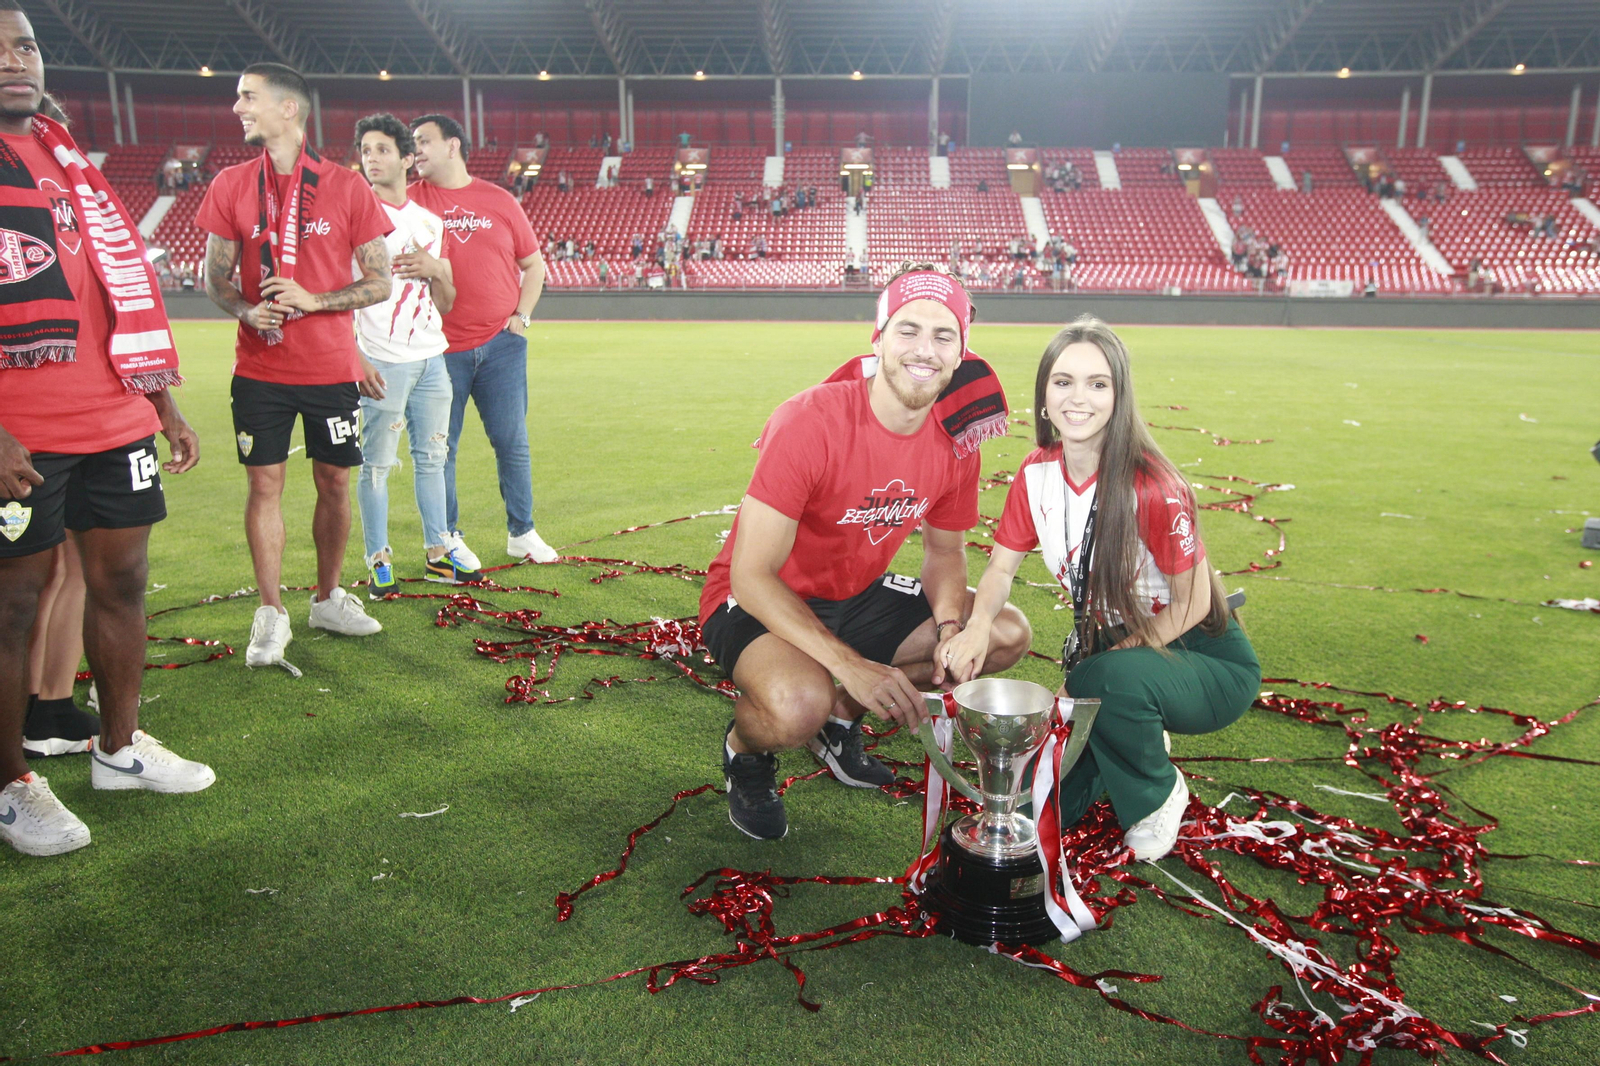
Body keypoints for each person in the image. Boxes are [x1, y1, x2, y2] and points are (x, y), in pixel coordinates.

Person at [700, 265, 1031, 840]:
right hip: (761, 599)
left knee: (1002, 631)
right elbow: (752, 576)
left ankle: (839, 722)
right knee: (794, 705)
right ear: (877, 338)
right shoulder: (811, 419)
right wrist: (848, 665)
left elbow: (945, 552)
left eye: (943, 335)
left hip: (855, 594)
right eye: (908, 330)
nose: (924, 349)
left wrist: (951, 628)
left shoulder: (956, 438)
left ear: (961, 354)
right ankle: (745, 754)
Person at [0, 0, 214, 856]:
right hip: (20, 432)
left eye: (25, 45)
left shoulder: (69, 160)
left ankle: (119, 750)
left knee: (122, 584)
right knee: (13, 608)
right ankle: (11, 783)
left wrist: (160, 402)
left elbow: (113, 293)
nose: (15, 59)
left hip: (116, 416)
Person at [943, 316, 1258, 863]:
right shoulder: (1036, 473)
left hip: (1204, 657)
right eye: (1063, 381)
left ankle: (1159, 794)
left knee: (1102, 683)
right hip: (1116, 655)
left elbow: (1194, 602)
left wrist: (1104, 672)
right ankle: (1129, 730)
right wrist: (976, 629)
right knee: (1042, 800)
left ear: (1119, 396)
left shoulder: (1153, 486)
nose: (1078, 398)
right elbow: (999, 571)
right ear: (1044, 396)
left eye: (1097, 383)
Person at [198, 62, 394, 669]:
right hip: (260, 370)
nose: (237, 108)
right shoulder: (231, 183)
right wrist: (245, 310)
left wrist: (315, 300)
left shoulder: (347, 186)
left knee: (334, 483)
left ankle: (328, 597)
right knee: (264, 485)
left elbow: (381, 280)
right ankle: (270, 611)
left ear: (288, 108)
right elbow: (214, 279)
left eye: (248, 97)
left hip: (331, 369)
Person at [409, 113, 557, 564]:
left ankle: (522, 532)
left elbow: (534, 265)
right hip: (437, 350)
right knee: (440, 449)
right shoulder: (408, 202)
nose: (416, 150)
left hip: (501, 345)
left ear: (453, 145)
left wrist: (521, 319)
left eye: (424, 141)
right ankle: (448, 536)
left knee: (512, 442)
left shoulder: (499, 200)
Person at [350, 112, 480, 598]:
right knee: (377, 464)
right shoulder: (354, 217)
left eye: (382, 149)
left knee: (433, 458)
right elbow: (341, 293)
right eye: (365, 150)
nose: (372, 158)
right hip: (381, 359)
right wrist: (354, 357)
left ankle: (438, 555)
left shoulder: (429, 222)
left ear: (407, 158)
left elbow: (445, 302)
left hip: (432, 358)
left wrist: (437, 269)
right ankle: (378, 560)